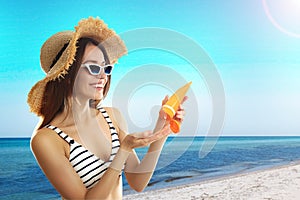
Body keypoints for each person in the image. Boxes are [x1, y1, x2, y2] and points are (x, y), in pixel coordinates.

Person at [28, 17, 187, 200]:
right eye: (94, 68)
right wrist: (124, 150)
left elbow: (138, 182)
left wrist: (162, 130)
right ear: (67, 75)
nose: (103, 76)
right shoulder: (47, 139)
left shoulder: (112, 116)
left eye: (107, 68)